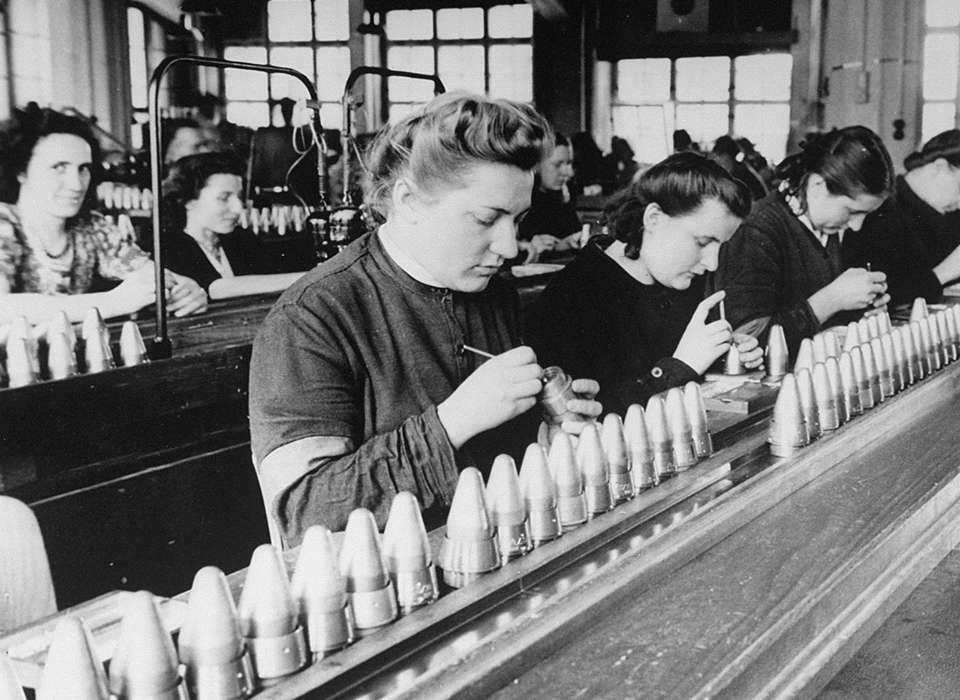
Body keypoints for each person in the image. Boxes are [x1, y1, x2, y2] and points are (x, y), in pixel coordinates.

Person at [249, 93, 602, 546]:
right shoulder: (312, 319)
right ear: (409, 201)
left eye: (517, 220)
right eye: (485, 219)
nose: (510, 246)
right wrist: (452, 421)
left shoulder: (494, 290)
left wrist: (547, 433)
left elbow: (497, 457)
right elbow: (304, 514)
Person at [527, 152, 760, 415]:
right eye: (703, 242)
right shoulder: (573, 299)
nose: (713, 263)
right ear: (654, 219)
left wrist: (723, 355)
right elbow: (585, 421)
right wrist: (680, 367)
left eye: (721, 246)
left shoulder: (681, 277)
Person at [0, 105, 207, 325]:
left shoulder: (94, 229)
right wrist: (113, 301)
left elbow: (136, 263)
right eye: (59, 167)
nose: (76, 184)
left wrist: (186, 288)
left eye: (83, 168)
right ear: (21, 170)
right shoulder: (5, 225)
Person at [715, 126, 894, 355]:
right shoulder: (756, 230)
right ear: (819, 185)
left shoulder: (823, 226)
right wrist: (833, 299)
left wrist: (861, 308)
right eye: (851, 211)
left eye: (865, 215)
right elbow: (746, 341)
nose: (856, 225)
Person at [160, 152, 306, 299]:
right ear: (188, 201)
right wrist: (310, 278)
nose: (238, 208)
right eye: (224, 198)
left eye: (239, 197)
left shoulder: (242, 238)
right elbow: (214, 287)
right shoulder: (168, 247)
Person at [844, 129, 960, 304]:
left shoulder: (949, 212)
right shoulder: (877, 211)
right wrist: (945, 272)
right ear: (939, 167)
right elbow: (874, 298)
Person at [517, 133, 582, 262]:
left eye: (569, 163)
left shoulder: (560, 198)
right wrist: (524, 247)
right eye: (558, 165)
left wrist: (562, 245)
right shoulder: (518, 202)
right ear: (535, 165)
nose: (569, 173)